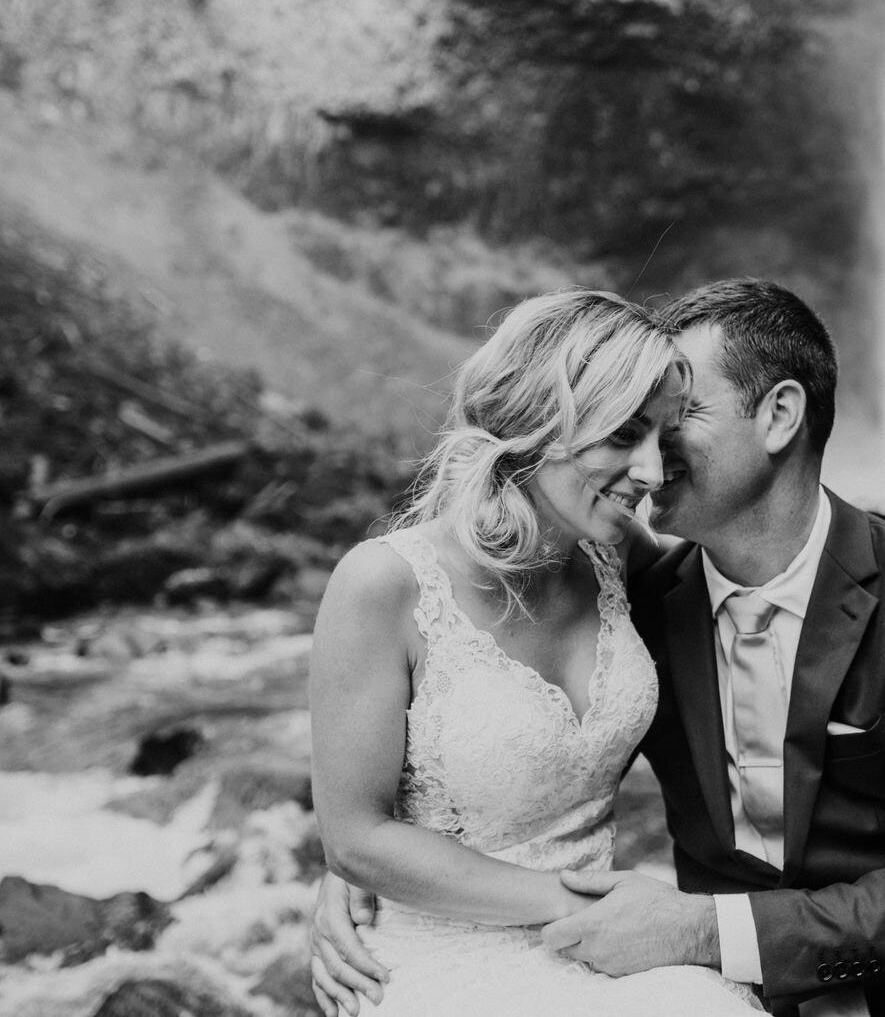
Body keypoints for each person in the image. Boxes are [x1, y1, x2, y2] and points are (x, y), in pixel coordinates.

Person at [313, 280, 885, 1016]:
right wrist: (359, 864)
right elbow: (422, 784)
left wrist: (700, 932)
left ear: (780, 417)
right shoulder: (636, 584)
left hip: (880, 957)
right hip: (628, 949)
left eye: (677, 420)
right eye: (640, 427)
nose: (652, 465)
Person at [307, 289, 767, 1015]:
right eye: (623, 436)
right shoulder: (384, 584)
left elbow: (761, 578)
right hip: (444, 960)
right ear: (537, 420)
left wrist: (878, 538)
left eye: (663, 438)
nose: (651, 472)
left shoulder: (623, 557)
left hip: (602, 951)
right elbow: (357, 837)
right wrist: (589, 904)